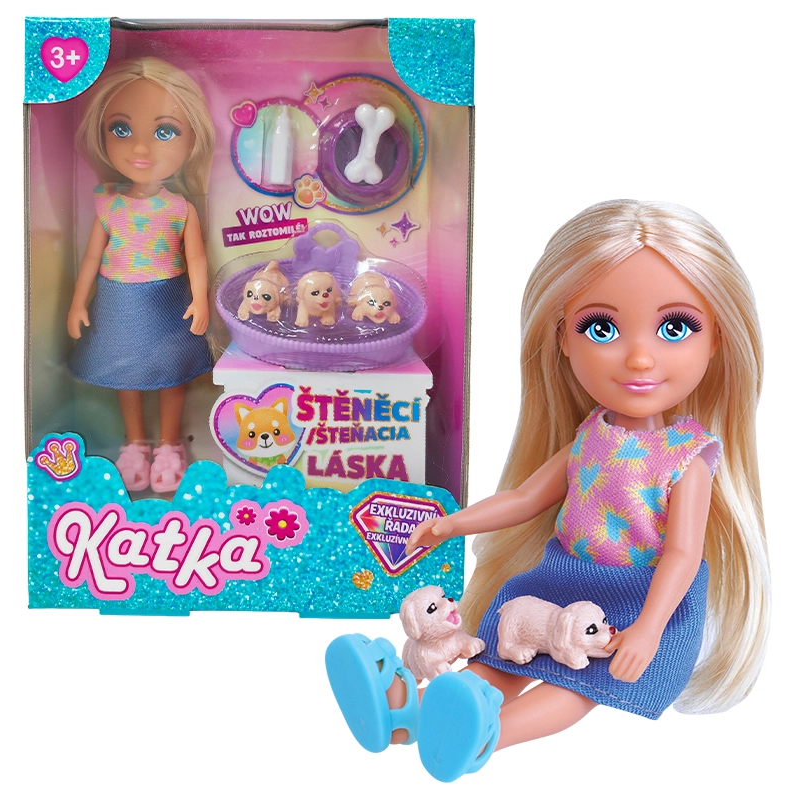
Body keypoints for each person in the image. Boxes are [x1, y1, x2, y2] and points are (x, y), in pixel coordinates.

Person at [325, 199, 770, 782]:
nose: (640, 356)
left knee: (576, 684)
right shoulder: (591, 435)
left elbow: (683, 554)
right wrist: (453, 523)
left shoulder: (689, 456)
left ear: (716, 340)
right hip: (559, 579)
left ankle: (485, 737)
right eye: (601, 328)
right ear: (562, 338)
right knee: (499, 659)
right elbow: (526, 498)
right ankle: (407, 714)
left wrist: (649, 628)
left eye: (675, 328)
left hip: (634, 603)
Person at [67, 57, 215, 492]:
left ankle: (169, 444)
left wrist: (201, 298)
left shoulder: (179, 208)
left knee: (172, 375)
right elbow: (91, 258)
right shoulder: (108, 204)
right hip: (118, 303)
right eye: (121, 129)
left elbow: (197, 259)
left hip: (167, 301)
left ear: (193, 139)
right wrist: (77, 303)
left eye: (164, 132)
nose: (141, 150)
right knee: (124, 374)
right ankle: (134, 443)